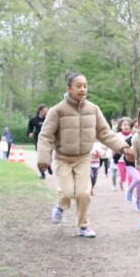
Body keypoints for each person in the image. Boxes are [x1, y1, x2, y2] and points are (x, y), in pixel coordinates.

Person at [36, 72, 133, 238]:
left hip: (83, 158)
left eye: (85, 86)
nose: (82, 89)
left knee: (84, 194)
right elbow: (45, 136)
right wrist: (44, 160)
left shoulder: (93, 109)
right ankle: (60, 205)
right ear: (69, 88)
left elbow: (105, 133)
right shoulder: (57, 111)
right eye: (78, 86)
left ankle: (83, 226)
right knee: (67, 193)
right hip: (63, 158)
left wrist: (124, 148)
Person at [28, 105, 49, 178]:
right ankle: (42, 174)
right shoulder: (34, 120)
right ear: (40, 111)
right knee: (40, 157)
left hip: (47, 139)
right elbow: (30, 127)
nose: (46, 112)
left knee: (48, 155)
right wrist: (30, 132)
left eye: (47, 111)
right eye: (44, 111)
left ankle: (48, 166)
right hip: (38, 139)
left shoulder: (48, 118)